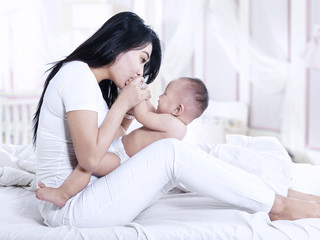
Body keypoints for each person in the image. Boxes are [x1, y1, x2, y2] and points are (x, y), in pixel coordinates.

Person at [33, 11, 320, 228]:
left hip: (91, 190)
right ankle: (278, 205)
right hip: (71, 208)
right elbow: (91, 160)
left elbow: (109, 140)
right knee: (172, 153)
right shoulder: (77, 75)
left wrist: (126, 110)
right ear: (119, 45)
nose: (142, 72)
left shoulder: (87, 83)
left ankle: (285, 193)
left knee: (202, 155)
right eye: (143, 59)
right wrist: (123, 103)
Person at [36, 77, 209, 207]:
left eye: (164, 94)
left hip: (123, 160)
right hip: (119, 149)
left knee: (88, 165)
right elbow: (150, 111)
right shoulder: (169, 120)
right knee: (90, 153)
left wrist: (136, 96)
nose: (160, 96)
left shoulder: (175, 126)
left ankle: (63, 194)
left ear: (177, 109)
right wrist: (141, 94)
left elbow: (143, 116)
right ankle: (70, 188)